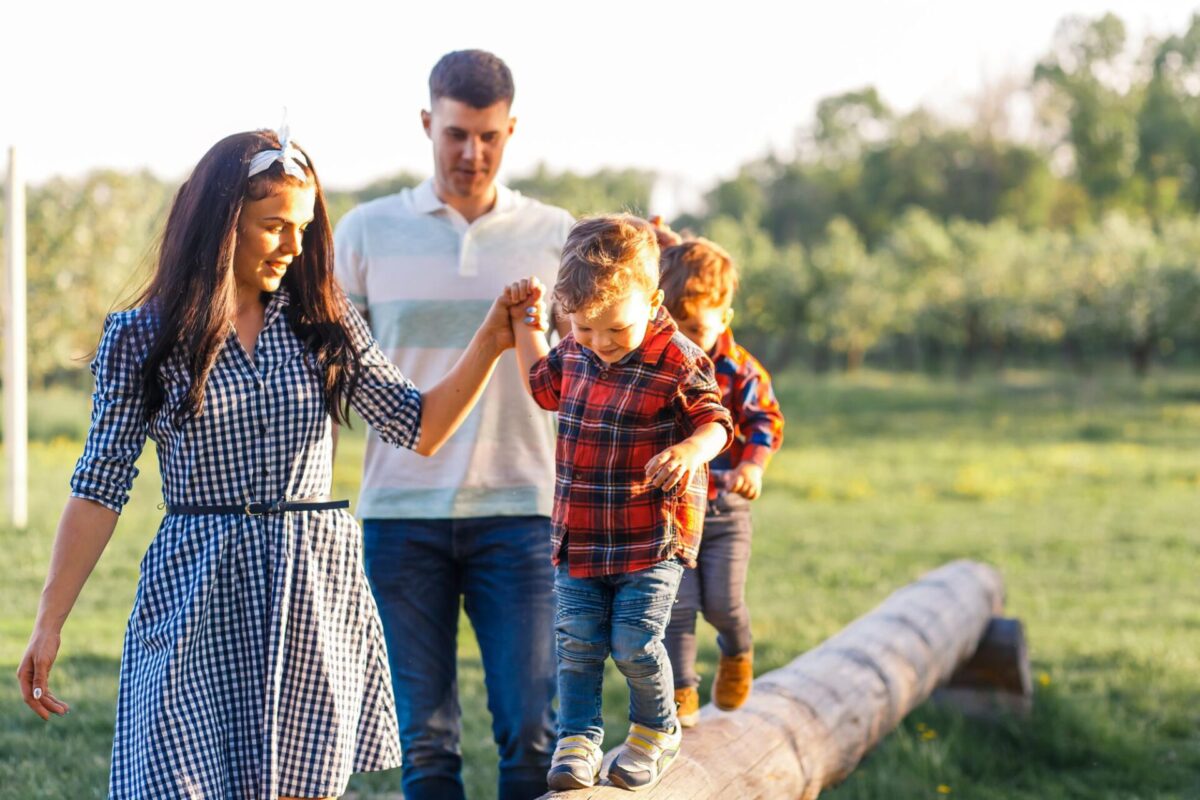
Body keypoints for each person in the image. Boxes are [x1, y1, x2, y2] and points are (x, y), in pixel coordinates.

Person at [16, 128, 541, 800]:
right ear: (220, 225)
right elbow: (99, 486)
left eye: (302, 226)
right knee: (181, 779)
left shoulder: (323, 319)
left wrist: (493, 340)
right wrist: (49, 620)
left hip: (311, 588)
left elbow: (420, 426)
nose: (294, 246)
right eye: (273, 227)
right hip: (198, 588)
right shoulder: (142, 336)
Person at [333, 49, 572, 800]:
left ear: (512, 131)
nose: (473, 153)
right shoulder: (367, 232)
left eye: (490, 137)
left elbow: (593, 366)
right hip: (402, 515)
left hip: (524, 512)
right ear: (427, 123)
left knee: (533, 732)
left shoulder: (557, 233)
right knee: (426, 743)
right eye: (457, 134)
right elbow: (333, 374)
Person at [507, 215, 734, 791]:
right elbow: (540, 381)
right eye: (585, 329)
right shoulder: (575, 351)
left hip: (649, 536)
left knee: (634, 641)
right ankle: (579, 737)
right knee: (578, 644)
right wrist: (526, 324)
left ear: (654, 300)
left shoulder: (679, 360)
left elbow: (717, 423)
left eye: (616, 330)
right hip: (579, 534)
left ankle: (654, 732)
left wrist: (689, 450)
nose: (601, 345)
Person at [659, 238, 785, 725]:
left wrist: (752, 466)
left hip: (726, 510)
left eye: (696, 329)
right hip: (674, 510)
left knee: (723, 602)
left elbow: (765, 421)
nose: (687, 340)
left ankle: (737, 648)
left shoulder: (741, 370)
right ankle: (683, 692)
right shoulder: (662, 364)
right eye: (675, 327)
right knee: (678, 604)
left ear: (724, 319)